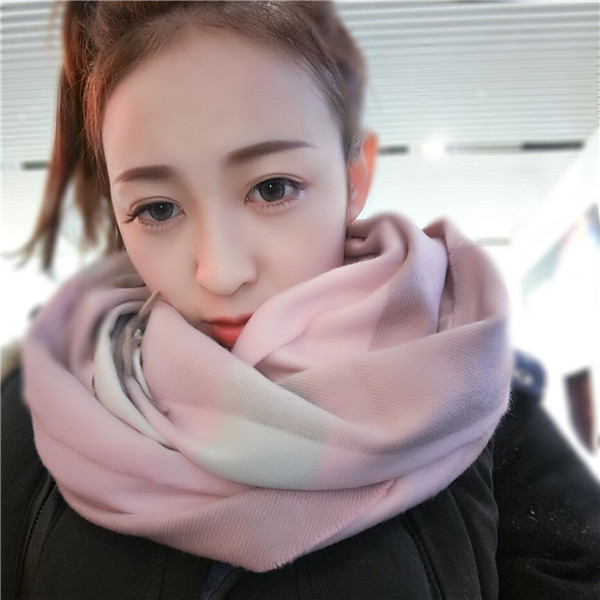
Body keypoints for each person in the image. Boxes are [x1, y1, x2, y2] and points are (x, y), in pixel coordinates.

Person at [1, 2, 598, 599]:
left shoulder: (477, 397)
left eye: (271, 188)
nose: (220, 273)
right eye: (158, 208)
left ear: (354, 179)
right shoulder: (43, 407)